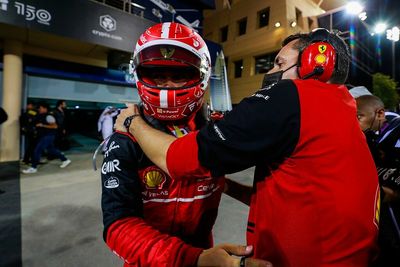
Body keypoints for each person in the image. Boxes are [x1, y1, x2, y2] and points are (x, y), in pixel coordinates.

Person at [115, 28, 379, 266]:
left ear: (314, 63)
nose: (270, 72)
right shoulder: (343, 109)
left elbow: (177, 158)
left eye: (279, 63)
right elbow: (301, 190)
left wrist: (131, 120)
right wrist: (228, 187)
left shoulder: (291, 97)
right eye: (158, 75)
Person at [101, 22, 271, 267]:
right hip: (155, 260)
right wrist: (193, 259)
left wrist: (222, 184)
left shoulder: (217, 130)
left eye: (179, 76)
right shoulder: (125, 138)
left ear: (200, 76)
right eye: (158, 75)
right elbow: (118, 225)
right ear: (139, 75)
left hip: (202, 252)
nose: (167, 86)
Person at [355, 95, 400, 267]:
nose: (355, 123)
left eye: (358, 117)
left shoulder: (395, 130)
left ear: (380, 114)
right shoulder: (367, 137)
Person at [22, 103, 71, 174]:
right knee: (52, 150)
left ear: (45, 109)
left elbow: (55, 126)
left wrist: (42, 125)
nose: (39, 109)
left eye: (41, 108)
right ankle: (65, 160)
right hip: (45, 136)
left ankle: (33, 167)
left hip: (48, 136)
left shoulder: (49, 116)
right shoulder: (41, 116)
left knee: (37, 150)